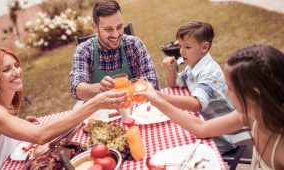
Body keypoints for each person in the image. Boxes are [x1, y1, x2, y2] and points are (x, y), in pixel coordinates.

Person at [0, 48, 128, 169]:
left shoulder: (6, 102)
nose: (16, 72)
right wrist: (95, 103)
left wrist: (18, 125)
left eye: (16, 65)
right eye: (6, 70)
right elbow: (40, 135)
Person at [137, 44, 284, 169]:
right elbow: (201, 128)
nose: (226, 92)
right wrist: (156, 99)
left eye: (231, 88)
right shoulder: (251, 113)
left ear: (253, 95)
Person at [161, 21, 235, 153]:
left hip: (223, 136)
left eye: (187, 47)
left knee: (177, 148)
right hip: (206, 124)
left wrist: (159, 97)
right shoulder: (193, 65)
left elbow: (196, 104)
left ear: (204, 47)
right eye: (180, 46)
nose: (181, 52)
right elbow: (175, 83)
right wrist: (172, 67)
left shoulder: (209, 72)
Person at [70, 0, 159, 102]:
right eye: (108, 29)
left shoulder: (134, 44)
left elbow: (152, 82)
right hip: (99, 113)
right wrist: (100, 88)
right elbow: (77, 89)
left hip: (134, 107)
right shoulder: (83, 50)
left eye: (119, 27)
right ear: (95, 27)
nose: (116, 35)